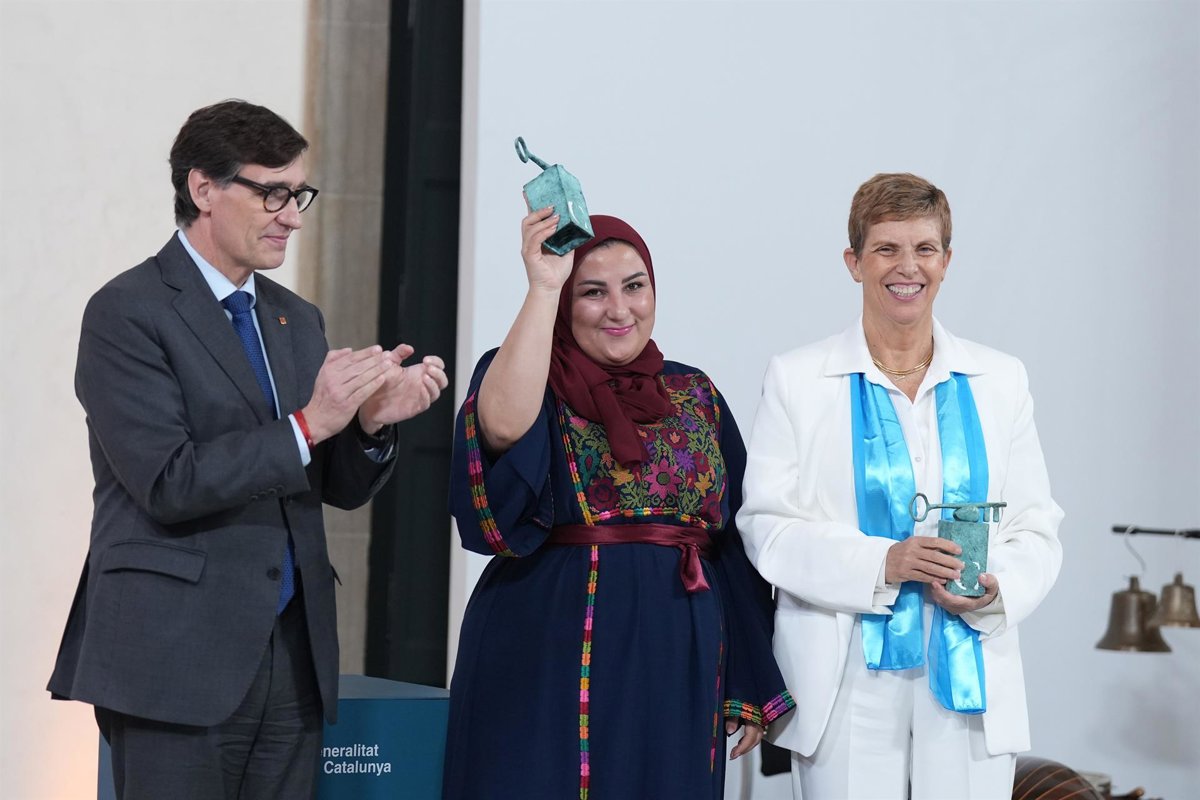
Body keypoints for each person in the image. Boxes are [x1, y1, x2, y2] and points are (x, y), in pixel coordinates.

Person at [47, 99, 448, 799]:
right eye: (272, 193)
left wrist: (369, 425)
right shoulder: (127, 311)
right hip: (175, 660)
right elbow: (169, 481)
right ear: (204, 189)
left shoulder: (297, 318)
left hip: (293, 660)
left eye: (299, 194)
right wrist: (310, 423)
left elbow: (331, 485)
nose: (292, 216)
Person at [442, 207, 794, 799]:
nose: (619, 309)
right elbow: (499, 429)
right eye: (592, 292)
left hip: (679, 649)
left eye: (634, 287)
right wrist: (543, 286)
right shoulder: (532, 376)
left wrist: (748, 675)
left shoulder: (694, 392)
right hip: (551, 638)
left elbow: (735, 542)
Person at [737, 173, 1064, 800]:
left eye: (924, 249)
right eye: (886, 248)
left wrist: (996, 591)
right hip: (845, 674)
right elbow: (767, 527)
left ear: (947, 260)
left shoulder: (1001, 379)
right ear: (854, 262)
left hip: (970, 663)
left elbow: (1036, 526)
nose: (907, 267)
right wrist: (882, 562)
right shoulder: (797, 379)